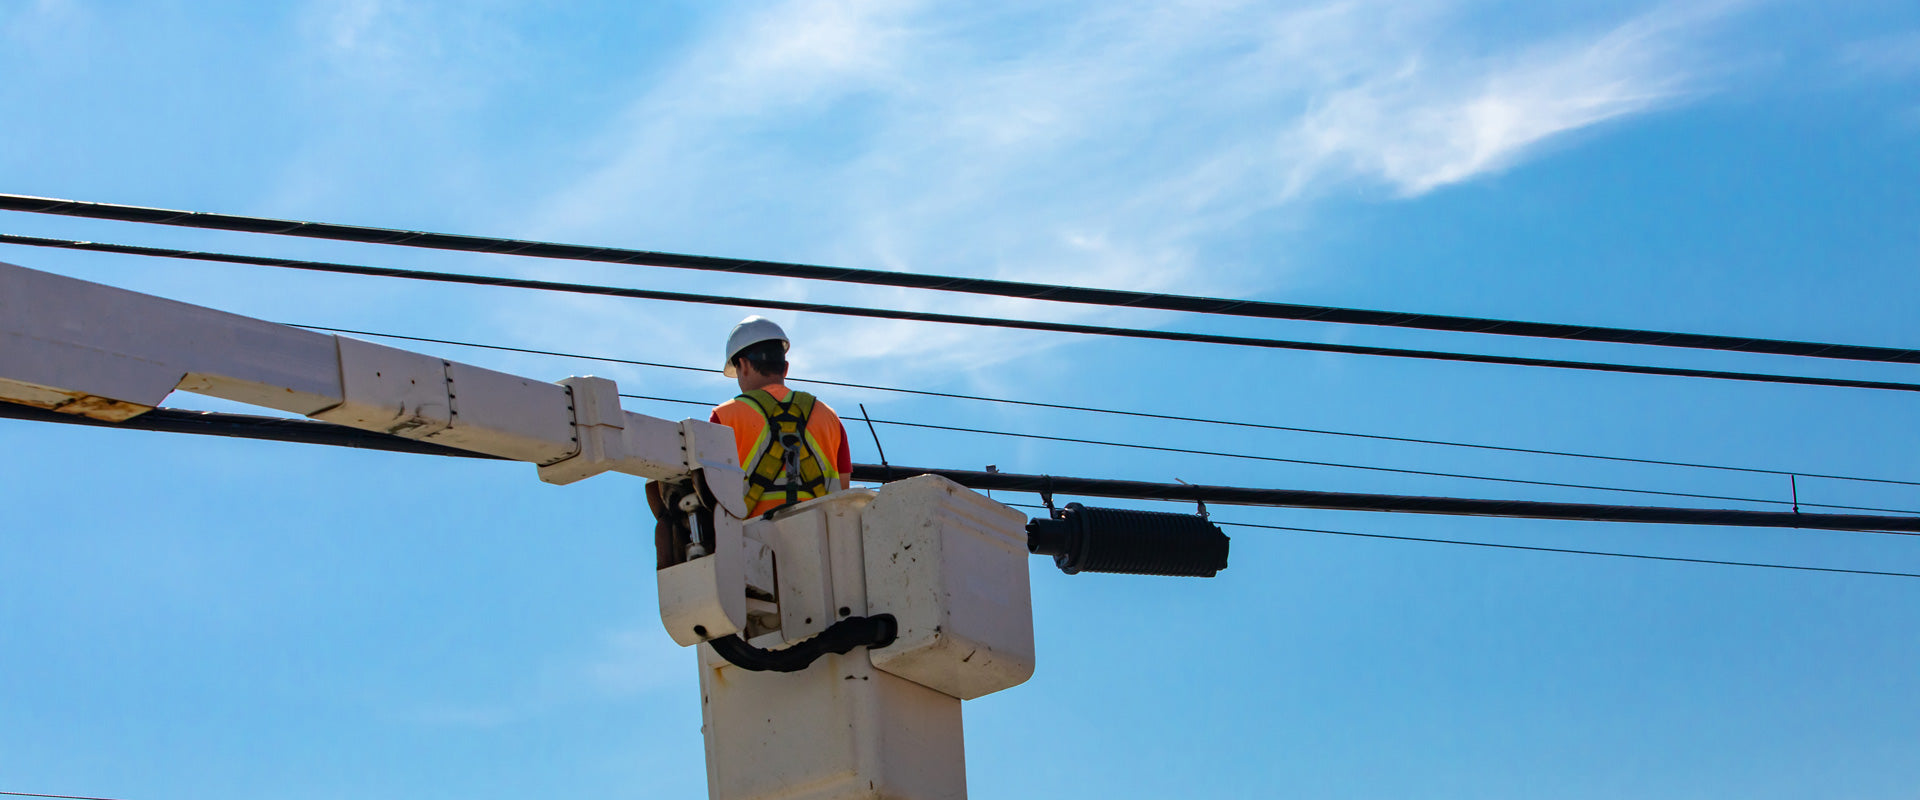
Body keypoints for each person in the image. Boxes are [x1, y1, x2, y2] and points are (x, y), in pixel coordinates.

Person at [709, 316, 853, 518]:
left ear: (744, 365)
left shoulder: (724, 416)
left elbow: (712, 490)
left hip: (752, 541)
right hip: (825, 537)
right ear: (785, 368)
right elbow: (843, 492)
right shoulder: (829, 417)